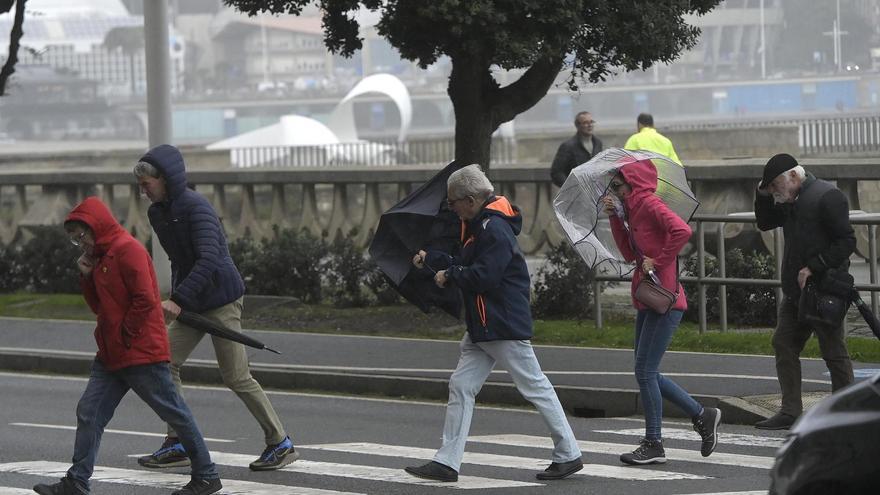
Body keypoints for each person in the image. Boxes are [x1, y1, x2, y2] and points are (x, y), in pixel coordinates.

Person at [404, 164, 583, 482]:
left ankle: (568, 452)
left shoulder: (491, 228)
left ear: (470, 200)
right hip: (488, 323)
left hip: (498, 322)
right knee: (464, 386)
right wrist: (433, 259)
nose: (452, 209)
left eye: (454, 203)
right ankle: (447, 461)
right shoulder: (487, 226)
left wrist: (451, 274)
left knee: (534, 385)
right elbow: (471, 264)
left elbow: (484, 275)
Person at [33, 197, 221, 495]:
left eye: (81, 236)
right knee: (89, 412)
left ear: (96, 226)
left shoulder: (127, 250)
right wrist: (86, 277)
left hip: (140, 352)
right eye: (74, 240)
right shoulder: (101, 257)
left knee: (174, 413)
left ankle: (207, 475)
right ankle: (77, 481)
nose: (80, 244)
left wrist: (124, 336)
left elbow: (145, 300)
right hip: (111, 354)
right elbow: (99, 307)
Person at [133, 144, 296, 471]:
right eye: (139, 186)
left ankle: (280, 442)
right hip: (192, 303)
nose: (142, 191)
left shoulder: (197, 207)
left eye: (146, 185)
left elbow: (210, 259)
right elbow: (180, 259)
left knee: (236, 376)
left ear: (165, 180)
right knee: (163, 362)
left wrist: (177, 299)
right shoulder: (157, 213)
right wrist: (179, 297)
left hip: (221, 300)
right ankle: (178, 440)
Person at [603, 161, 720, 465]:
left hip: (664, 300)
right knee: (646, 371)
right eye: (613, 187)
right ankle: (701, 415)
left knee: (645, 371)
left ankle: (655, 442)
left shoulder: (649, 204)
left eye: (618, 185)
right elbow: (630, 254)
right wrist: (616, 217)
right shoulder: (632, 210)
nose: (615, 191)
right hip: (647, 297)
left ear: (634, 183)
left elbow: (682, 230)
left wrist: (659, 259)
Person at [753, 153, 855, 430]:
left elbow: (846, 241)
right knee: (784, 343)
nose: (775, 191)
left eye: (776, 184)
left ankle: (845, 412)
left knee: (833, 352)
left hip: (824, 290)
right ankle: (790, 411)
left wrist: (814, 266)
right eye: (772, 187)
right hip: (797, 292)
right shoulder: (791, 201)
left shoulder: (827, 196)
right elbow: (764, 222)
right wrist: (762, 194)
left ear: (794, 177)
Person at [550, 111, 604, 187]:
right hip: (576, 194)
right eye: (585, 123)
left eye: (591, 122)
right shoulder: (568, 146)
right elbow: (556, 172)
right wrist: (571, 188)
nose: (590, 125)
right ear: (577, 126)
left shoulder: (598, 143)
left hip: (594, 191)